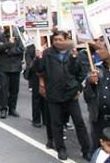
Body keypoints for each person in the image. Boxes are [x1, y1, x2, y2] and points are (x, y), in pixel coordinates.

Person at [32, 29, 91, 161]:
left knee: (79, 122)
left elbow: (81, 73)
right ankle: (61, 148)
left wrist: (77, 88)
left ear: (66, 40)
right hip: (54, 94)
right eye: (55, 40)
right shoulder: (47, 53)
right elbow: (38, 70)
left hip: (71, 94)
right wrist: (37, 59)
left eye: (60, 40)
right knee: (56, 123)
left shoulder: (73, 53)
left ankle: (86, 149)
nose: (58, 42)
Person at [83, 38, 110, 152]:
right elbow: (87, 96)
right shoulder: (96, 69)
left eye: (100, 49)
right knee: (98, 150)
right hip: (99, 119)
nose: (96, 52)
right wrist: (91, 83)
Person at [0, 26, 24, 119]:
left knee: (14, 89)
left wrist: (9, 51)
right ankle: (3, 109)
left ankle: (12, 108)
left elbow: (21, 48)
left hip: (16, 66)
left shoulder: (19, 36)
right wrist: (8, 44)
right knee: (3, 89)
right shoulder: (0, 36)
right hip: (4, 67)